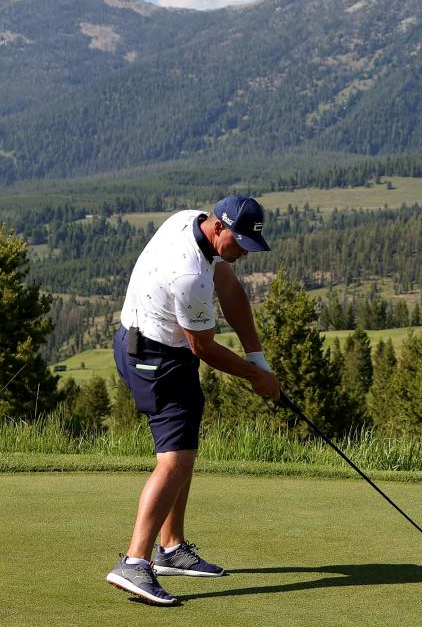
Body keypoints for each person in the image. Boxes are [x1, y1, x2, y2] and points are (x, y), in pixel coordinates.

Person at [105, 194, 281, 606]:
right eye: (237, 244)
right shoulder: (189, 275)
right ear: (218, 226)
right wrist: (257, 379)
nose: (240, 253)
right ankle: (134, 561)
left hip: (159, 349)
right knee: (175, 460)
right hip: (154, 357)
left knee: (184, 447)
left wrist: (258, 358)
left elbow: (231, 290)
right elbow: (203, 347)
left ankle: (171, 548)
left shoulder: (192, 222)